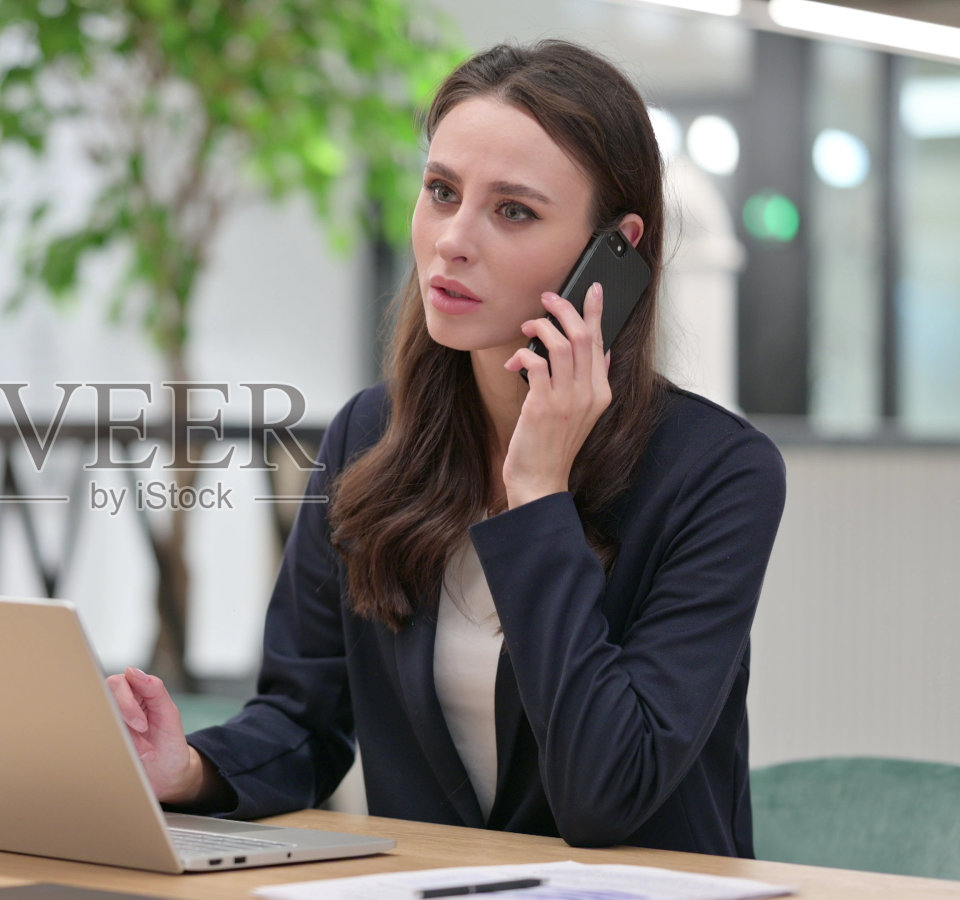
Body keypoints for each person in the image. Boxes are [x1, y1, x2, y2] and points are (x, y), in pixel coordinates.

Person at [106, 39, 787, 858]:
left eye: (514, 211)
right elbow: (303, 720)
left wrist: (538, 490)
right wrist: (185, 767)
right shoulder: (369, 437)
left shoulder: (718, 476)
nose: (451, 241)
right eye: (441, 192)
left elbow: (608, 793)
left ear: (617, 249)